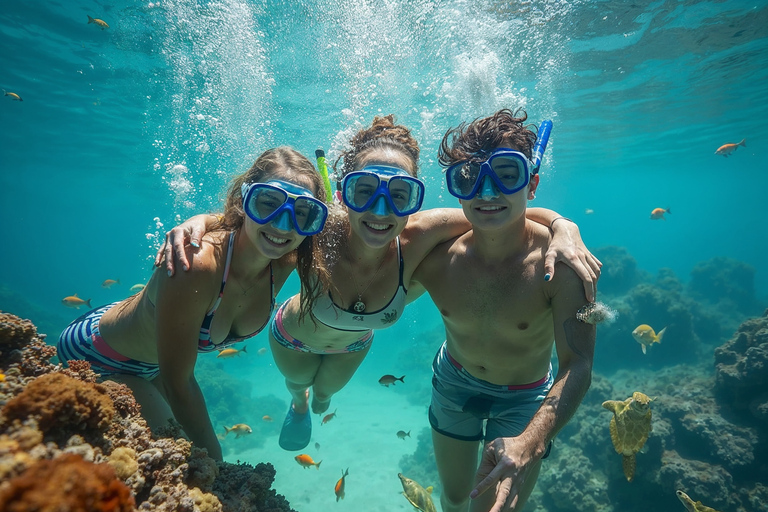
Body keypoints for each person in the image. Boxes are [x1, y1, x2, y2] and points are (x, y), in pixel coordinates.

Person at [159, 115, 600, 453]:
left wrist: (564, 226)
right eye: (363, 191)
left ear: (414, 198)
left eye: (401, 194)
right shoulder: (318, 229)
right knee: (301, 390)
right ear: (343, 195)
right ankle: (296, 404)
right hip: (293, 337)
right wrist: (200, 222)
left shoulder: (419, 235)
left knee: (325, 395)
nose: (380, 209)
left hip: (354, 344)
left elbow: (496, 207)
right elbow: (263, 220)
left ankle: (311, 405)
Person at [57, 147, 331, 461]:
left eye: (301, 213)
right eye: (267, 203)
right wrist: (216, 460)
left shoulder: (286, 259)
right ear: (243, 200)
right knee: (190, 461)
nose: (283, 225)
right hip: (98, 356)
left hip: (156, 365)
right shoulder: (197, 265)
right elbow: (179, 384)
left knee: (189, 451)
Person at [409, 108, 596, 512]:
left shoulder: (560, 264)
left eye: (507, 175)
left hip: (526, 398)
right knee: (456, 497)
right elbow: (374, 297)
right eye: (468, 177)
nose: (487, 192)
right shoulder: (436, 259)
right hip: (455, 382)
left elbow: (578, 364)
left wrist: (530, 442)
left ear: (532, 184)